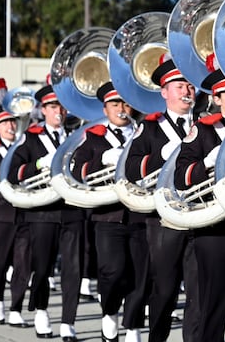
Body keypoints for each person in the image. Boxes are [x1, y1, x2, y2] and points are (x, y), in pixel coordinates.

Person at [174, 55, 225, 341]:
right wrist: (207, 164)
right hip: (215, 230)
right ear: (217, 98)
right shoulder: (204, 130)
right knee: (211, 306)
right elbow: (181, 178)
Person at [122, 55, 199, 342]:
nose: (186, 91)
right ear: (164, 92)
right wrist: (160, 157)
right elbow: (130, 169)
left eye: (189, 85)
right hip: (163, 221)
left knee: (198, 292)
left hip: (201, 215)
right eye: (178, 85)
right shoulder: (151, 128)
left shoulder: (205, 125)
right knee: (164, 290)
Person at [6, 84, 85, 340]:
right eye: (52, 107)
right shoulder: (31, 137)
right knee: (42, 267)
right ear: (43, 109)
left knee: (73, 269)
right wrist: (39, 164)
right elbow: (14, 172)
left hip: (72, 211)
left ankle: (68, 322)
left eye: (61, 106)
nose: (58, 112)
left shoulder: (77, 136)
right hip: (42, 213)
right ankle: (41, 310)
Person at [71, 81, 145, 342]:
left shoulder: (143, 132)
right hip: (108, 217)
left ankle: (133, 326)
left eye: (125, 103)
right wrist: (101, 159)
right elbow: (78, 171)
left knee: (140, 274)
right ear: (105, 108)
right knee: (112, 271)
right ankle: (110, 312)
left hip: (141, 215)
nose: (122, 109)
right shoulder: (94, 136)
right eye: (115, 104)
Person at [0, 105, 27, 327]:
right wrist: (14, 174)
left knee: (23, 262)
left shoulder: (23, 147)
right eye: (5, 123)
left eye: (12, 122)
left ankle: (16, 308)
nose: (10, 127)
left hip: (24, 209)